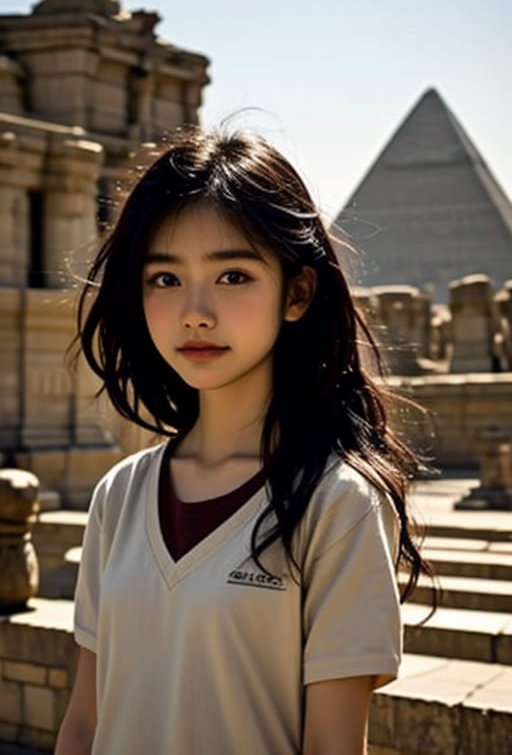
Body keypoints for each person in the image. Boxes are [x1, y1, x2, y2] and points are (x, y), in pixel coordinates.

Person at [55, 126, 432, 755]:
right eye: (165, 280)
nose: (195, 312)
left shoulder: (338, 504)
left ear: (298, 292)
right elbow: (84, 725)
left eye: (233, 276)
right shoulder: (119, 495)